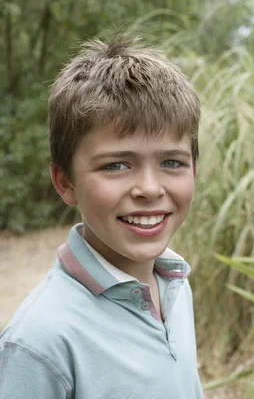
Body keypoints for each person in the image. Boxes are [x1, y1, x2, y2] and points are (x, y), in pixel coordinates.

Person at [0, 35, 203, 399]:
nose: (149, 188)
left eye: (171, 162)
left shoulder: (176, 285)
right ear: (66, 183)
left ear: (194, 170)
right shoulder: (39, 342)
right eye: (116, 165)